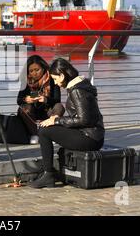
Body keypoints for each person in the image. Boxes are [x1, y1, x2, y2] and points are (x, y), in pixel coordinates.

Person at [28, 58, 105, 188]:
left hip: (90, 138)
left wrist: (57, 120)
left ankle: (48, 175)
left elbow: (83, 120)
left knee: (44, 131)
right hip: (91, 134)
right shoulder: (79, 86)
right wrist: (57, 120)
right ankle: (48, 172)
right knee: (48, 127)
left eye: (56, 79)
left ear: (62, 75)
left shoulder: (77, 91)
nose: (56, 83)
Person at [17, 55, 64, 144]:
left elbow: (57, 100)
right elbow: (19, 100)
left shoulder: (52, 79)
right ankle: (36, 134)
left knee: (59, 107)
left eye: (37, 70)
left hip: (47, 111)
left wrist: (46, 99)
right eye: (31, 71)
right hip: (32, 112)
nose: (34, 73)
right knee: (24, 109)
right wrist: (26, 99)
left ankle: (51, 133)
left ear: (43, 68)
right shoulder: (26, 80)